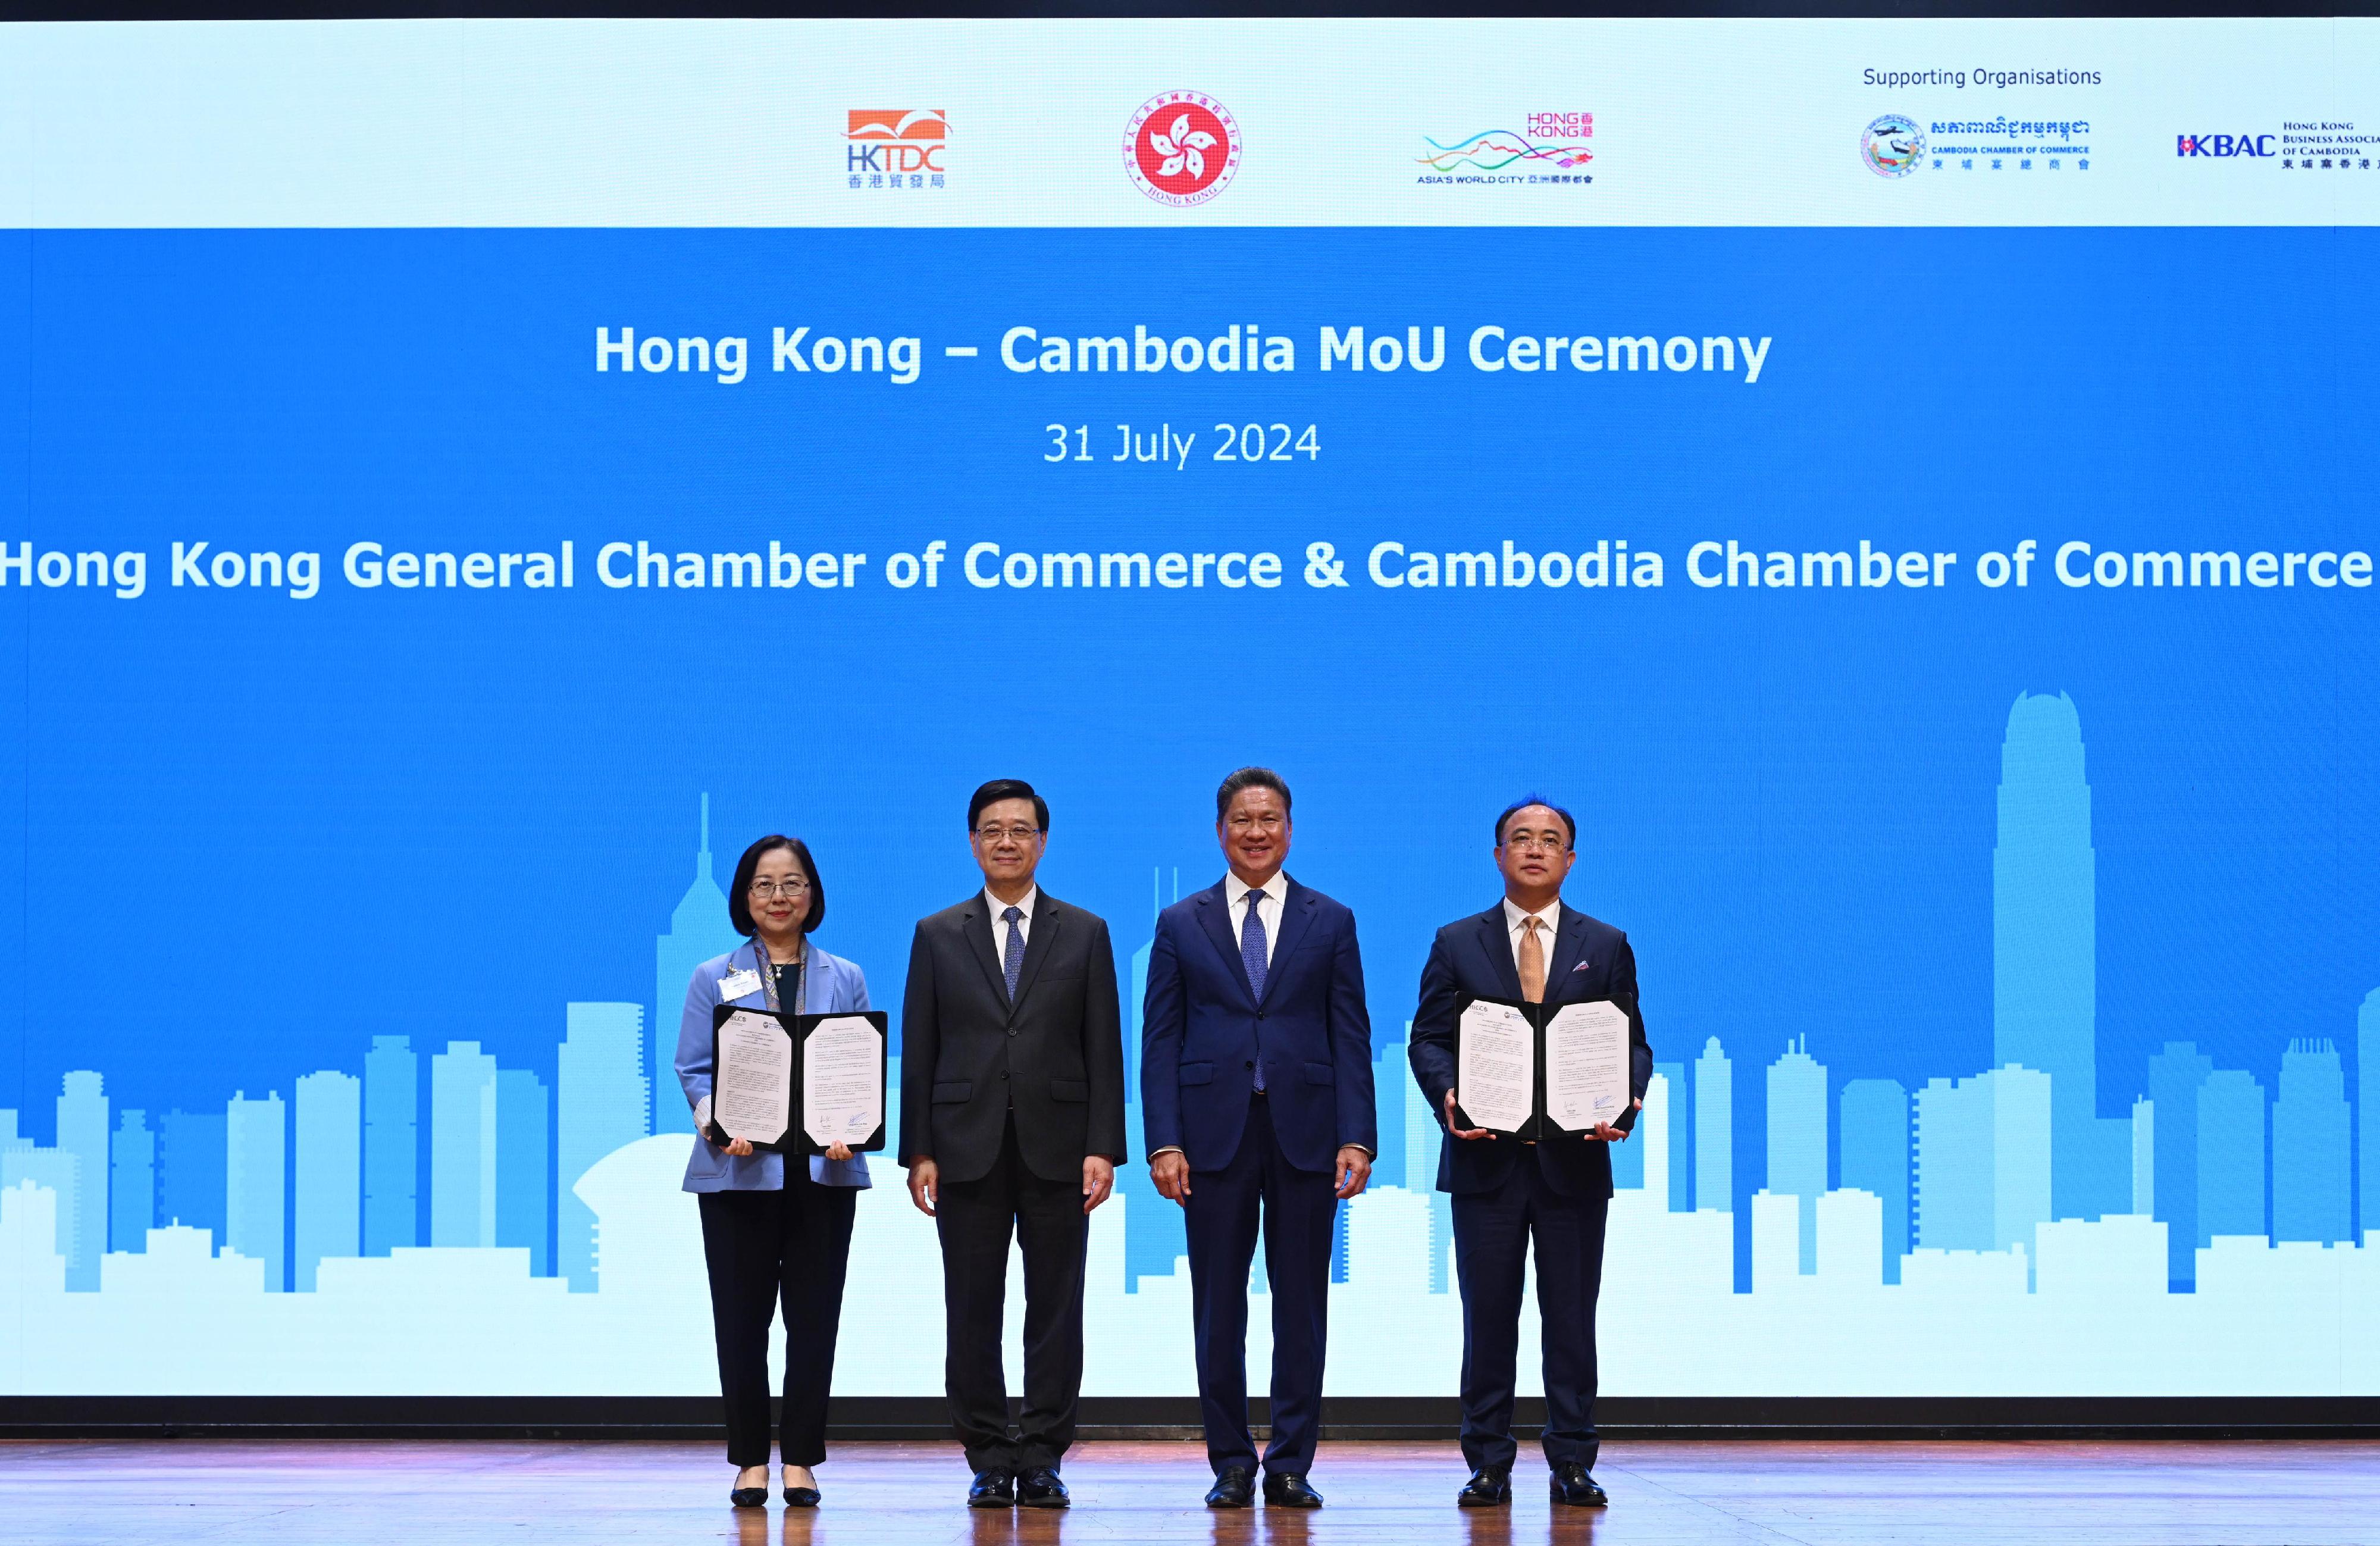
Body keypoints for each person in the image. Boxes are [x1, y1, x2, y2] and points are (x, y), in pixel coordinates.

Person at [1407, 797, 1652, 1510]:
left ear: (1571, 860)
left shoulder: (1604, 943)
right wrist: (1447, 1094)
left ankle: (1573, 1461)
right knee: (1488, 1321)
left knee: (1571, 1321)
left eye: (1551, 841)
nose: (1535, 849)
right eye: (1521, 839)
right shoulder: (1457, 941)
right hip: (1486, 1163)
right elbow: (1428, 1038)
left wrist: (1626, 1100)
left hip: (1574, 1164)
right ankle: (1487, 1462)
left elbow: (1631, 1040)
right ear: (1497, 856)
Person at [1141, 767, 1376, 1510]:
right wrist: (1163, 1141)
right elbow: (1160, 1041)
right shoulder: (1181, 921)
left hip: (1306, 1134)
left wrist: (1359, 1137)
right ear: (1220, 831)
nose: (1255, 831)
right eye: (1242, 819)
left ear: (1290, 829)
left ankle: (1292, 1462)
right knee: (1218, 1306)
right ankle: (1232, 1463)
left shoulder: (1330, 919)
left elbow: (1350, 1034)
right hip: (1212, 1139)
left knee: (1302, 1304)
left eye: (1269, 818)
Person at [899, 779, 1128, 1510]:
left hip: (1060, 1148)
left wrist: (1104, 1145)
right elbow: (921, 1044)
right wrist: (918, 1150)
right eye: (992, 829)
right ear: (972, 842)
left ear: (1042, 842)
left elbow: (1103, 1047)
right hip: (964, 1147)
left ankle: (1042, 1455)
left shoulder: (1085, 931)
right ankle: (988, 1453)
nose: (1006, 841)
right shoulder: (937, 933)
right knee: (970, 1309)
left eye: (1021, 830)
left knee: (1055, 1309)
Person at [676, 834, 871, 1511]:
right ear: (744, 897)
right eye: (764, 884)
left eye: (792, 883)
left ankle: (803, 1463)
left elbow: (855, 1065)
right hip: (738, 1178)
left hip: (823, 1176)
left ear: (812, 894)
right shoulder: (713, 976)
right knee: (741, 1323)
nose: (779, 896)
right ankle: (751, 1461)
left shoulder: (844, 976)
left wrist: (848, 1124)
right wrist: (717, 1124)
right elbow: (694, 1068)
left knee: (814, 1323)